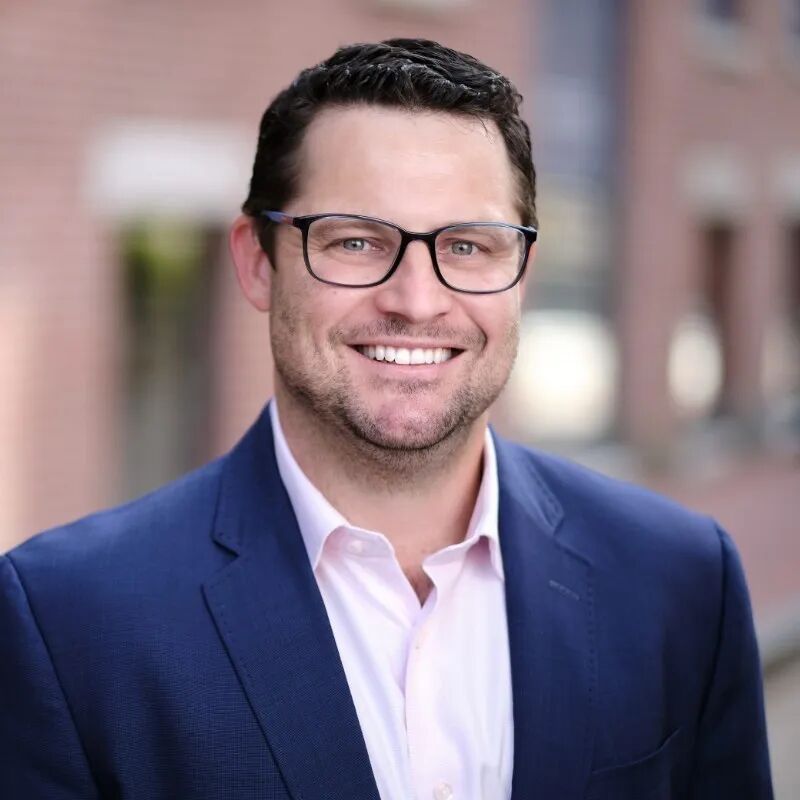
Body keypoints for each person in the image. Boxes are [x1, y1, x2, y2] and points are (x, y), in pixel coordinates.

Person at [0, 39, 773, 800]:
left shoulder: (679, 582)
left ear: (521, 274)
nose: (416, 300)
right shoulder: (68, 623)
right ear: (258, 262)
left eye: (467, 246)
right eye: (357, 241)